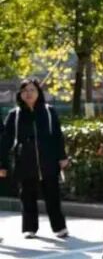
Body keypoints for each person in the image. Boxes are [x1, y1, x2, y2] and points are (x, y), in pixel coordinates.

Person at [0, 78, 69, 239]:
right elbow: (5, 141)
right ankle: (29, 228)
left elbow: (57, 136)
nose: (29, 93)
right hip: (25, 161)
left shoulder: (49, 111)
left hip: (48, 160)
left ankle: (59, 227)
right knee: (27, 196)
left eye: (32, 90)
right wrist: (2, 163)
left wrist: (62, 156)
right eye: (25, 90)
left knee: (53, 195)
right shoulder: (14, 115)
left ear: (39, 92)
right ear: (20, 94)